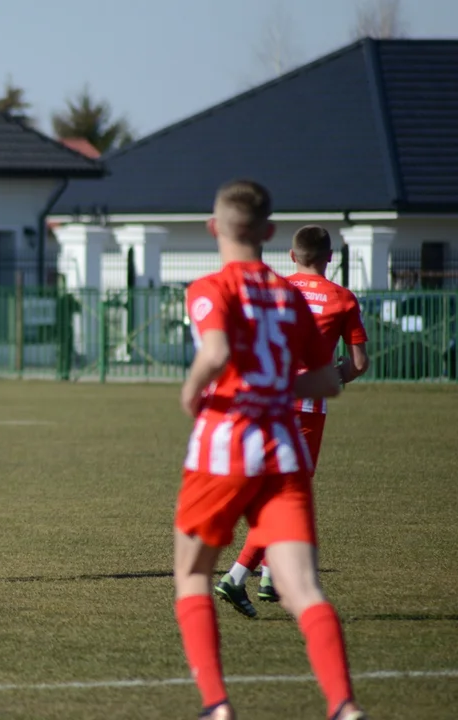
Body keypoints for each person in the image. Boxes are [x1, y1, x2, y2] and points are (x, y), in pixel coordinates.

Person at [174, 181, 366, 720]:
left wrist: (191, 391)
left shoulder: (209, 286)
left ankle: (217, 705)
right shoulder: (288, 297)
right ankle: (344, 705)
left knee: (191, 574)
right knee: (303, 585)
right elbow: (329, 380)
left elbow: (215, 351)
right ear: (270, 232)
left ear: (214, 229)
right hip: (283, 448)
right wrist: (279, 387)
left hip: (224, 445)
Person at [215, 225, 370, 618]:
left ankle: (268, 577)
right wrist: (335, 376)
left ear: (290, 255)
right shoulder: (342, 298)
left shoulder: (272, 290)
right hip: (306, 407)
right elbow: (358, 364)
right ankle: (237, 576)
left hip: (263, 400)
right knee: (288, 498)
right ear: (331, 257)